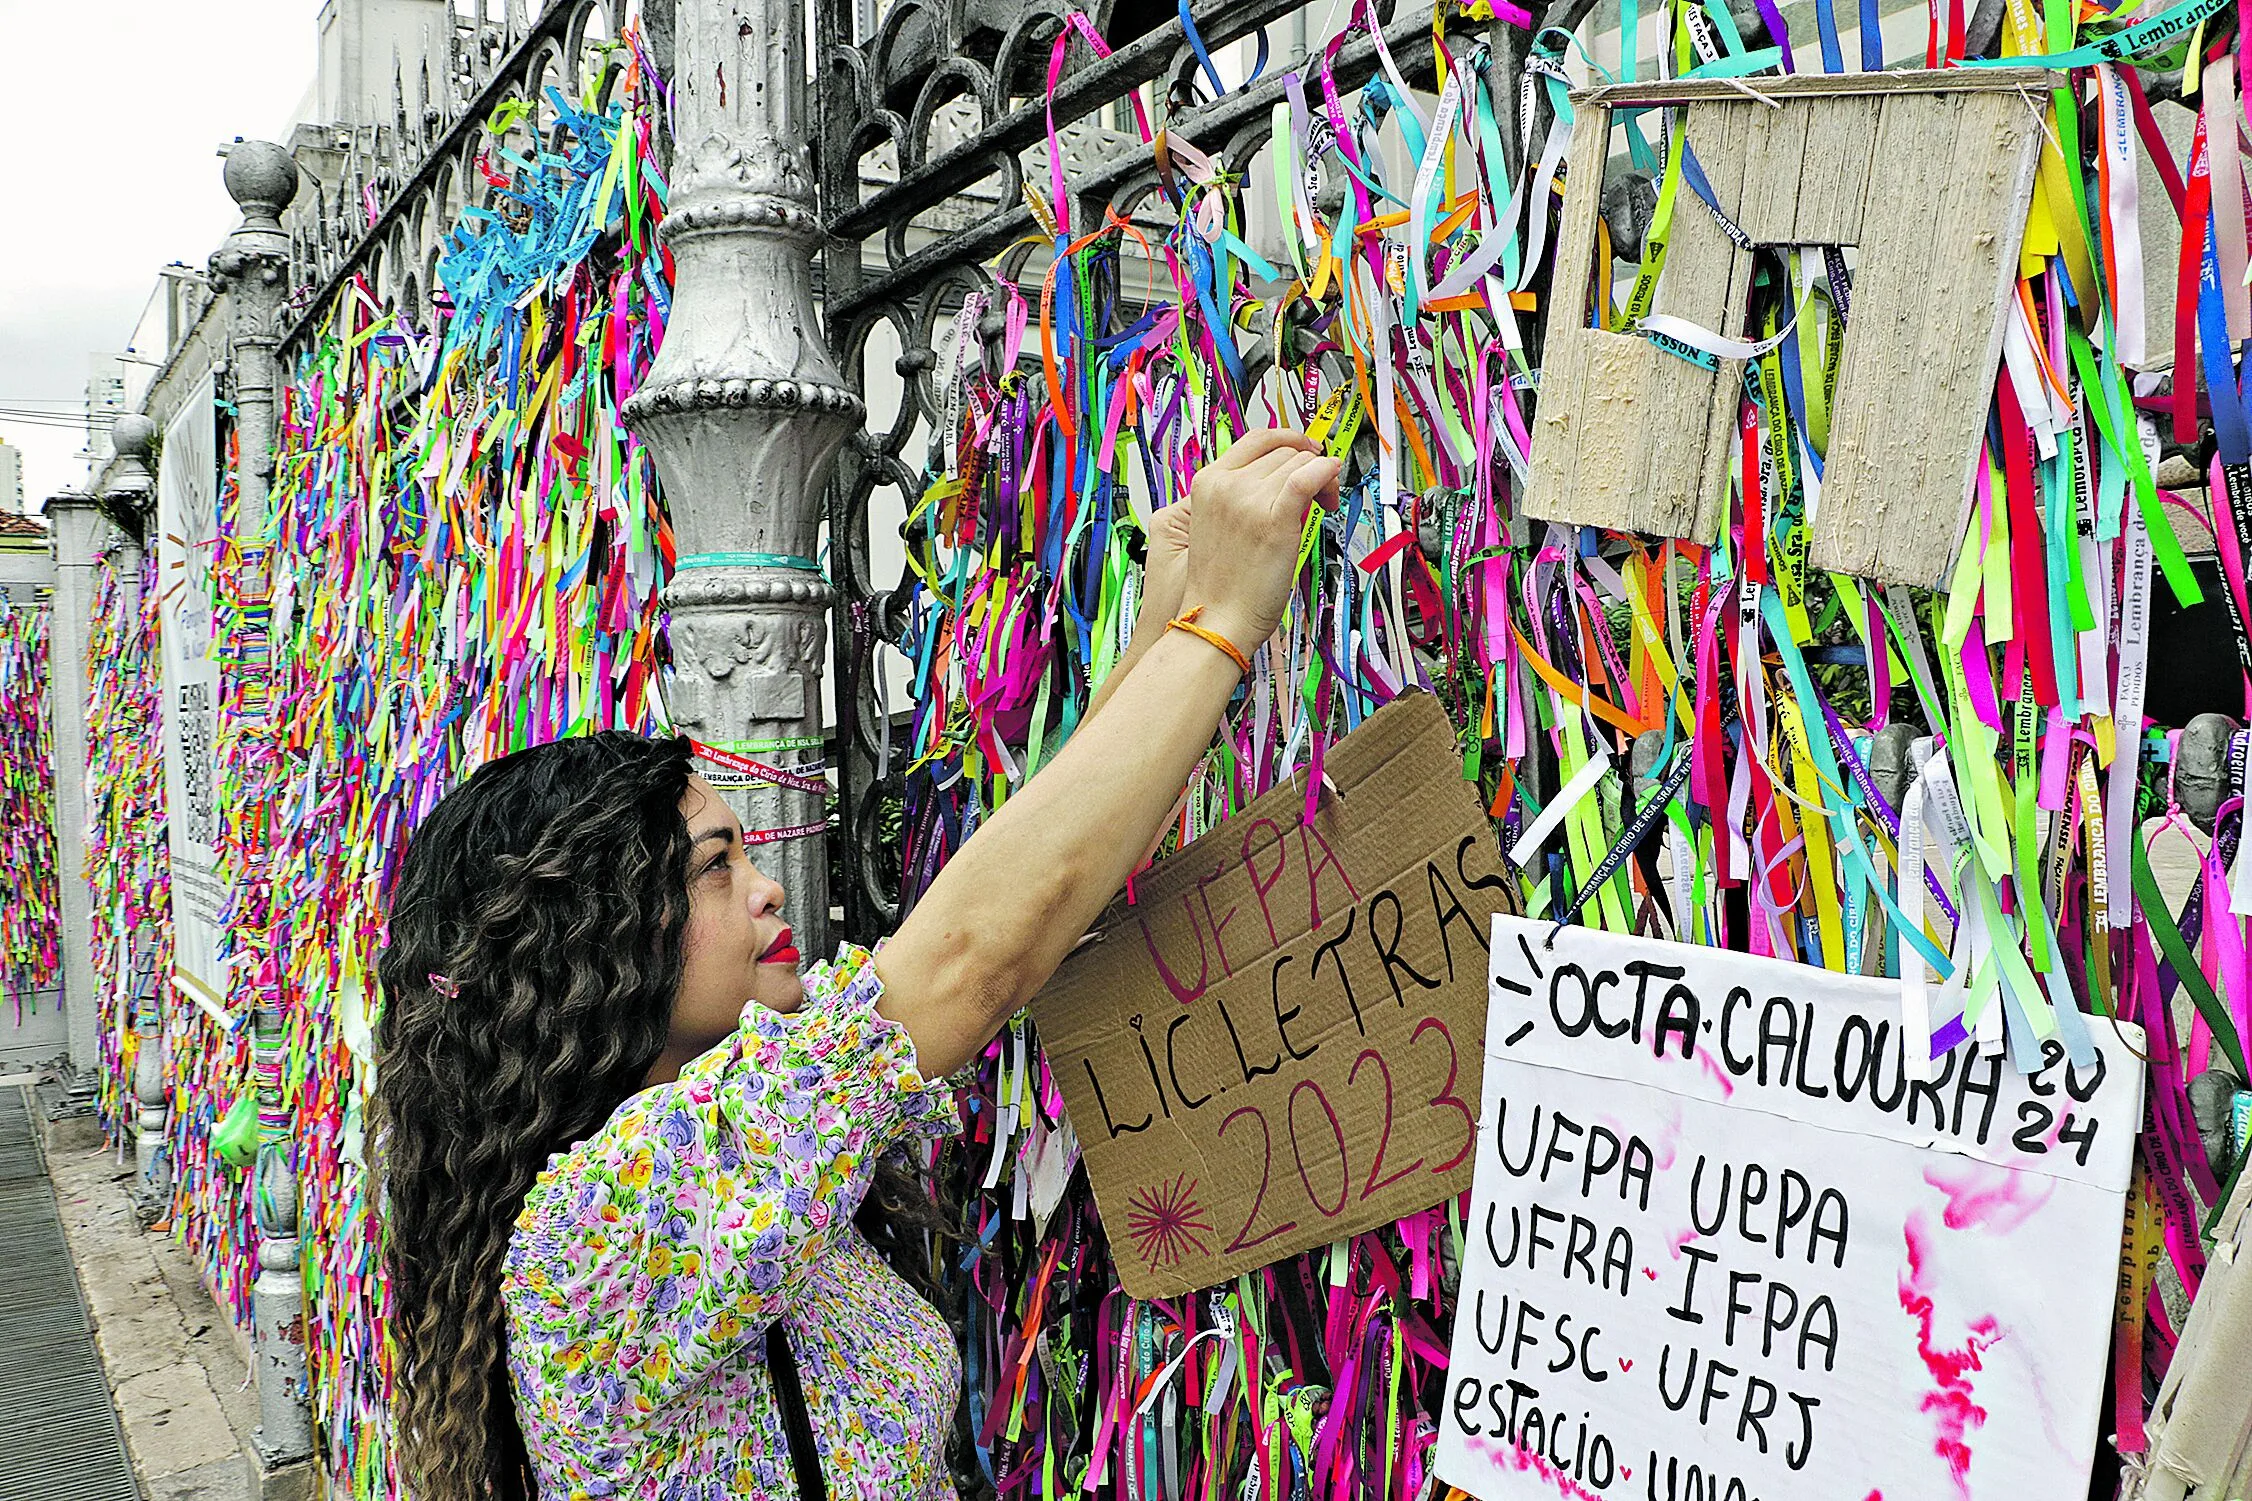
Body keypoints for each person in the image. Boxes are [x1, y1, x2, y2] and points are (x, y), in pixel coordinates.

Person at [372, 430, 1342, 1501]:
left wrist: (1164, 626)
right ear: (591, 941)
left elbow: (1007, 904)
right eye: (714, 864)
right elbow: (972, 958)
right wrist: (1218, 630)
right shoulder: (605, 1217)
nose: (769, 885)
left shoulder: (755, 1132)